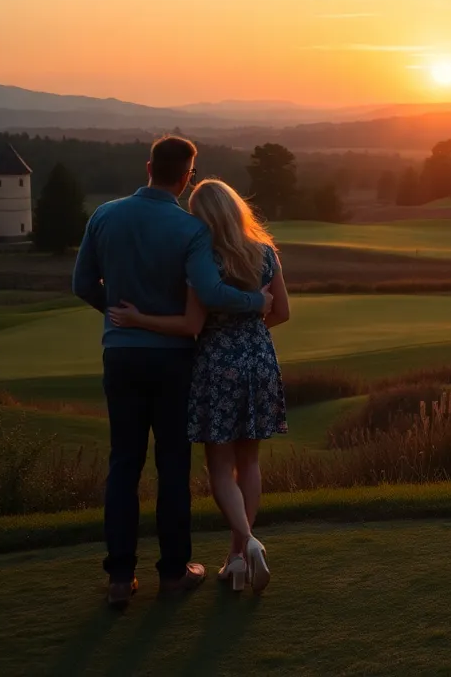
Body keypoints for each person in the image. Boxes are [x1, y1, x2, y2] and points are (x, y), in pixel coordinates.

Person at [73, 136, 272, 608]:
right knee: (172, 466)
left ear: (148, 167)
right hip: (173, 359)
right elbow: (210, 290)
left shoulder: (104, 215)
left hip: (120, 354)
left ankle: (120, 578)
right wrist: (255, 303)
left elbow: (82, 283)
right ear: (186, 177)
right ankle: (173, 573)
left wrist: (118, 312)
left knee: (123, 464)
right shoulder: (190, 229)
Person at [108, 178, 290, 596]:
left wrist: (138, 319)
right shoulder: (265, 253)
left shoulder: (203, 258)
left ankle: (248, 544)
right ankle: (236, 559)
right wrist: (251, 331)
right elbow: (281, 312)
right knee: (251, 462)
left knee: (220, 466)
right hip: (260, 359)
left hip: (216, 364)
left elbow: (191, 324)